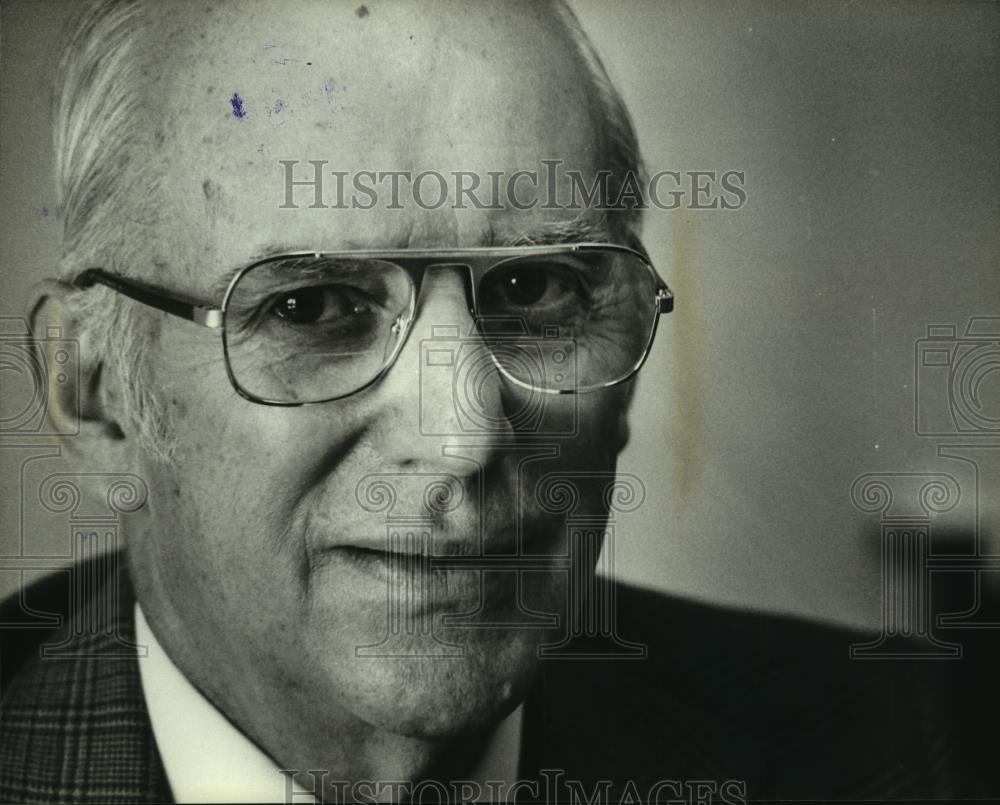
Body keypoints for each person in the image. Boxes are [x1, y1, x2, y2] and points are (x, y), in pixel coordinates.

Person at [0, 1, 980, 802]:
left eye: (536, 290)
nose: (464, 434)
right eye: (313, 306)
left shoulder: (906, 746)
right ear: (95, 395)